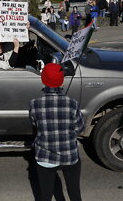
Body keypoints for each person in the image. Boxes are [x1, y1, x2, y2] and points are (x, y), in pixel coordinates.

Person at [29, 63, 84, 201]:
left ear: (43, 79)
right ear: (62, 81)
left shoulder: (34, 104)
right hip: (69, 156)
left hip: (44, 157)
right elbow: (80, 128)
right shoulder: (72, 103)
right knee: (75, 194)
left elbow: (35, 125)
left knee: (45, 196)